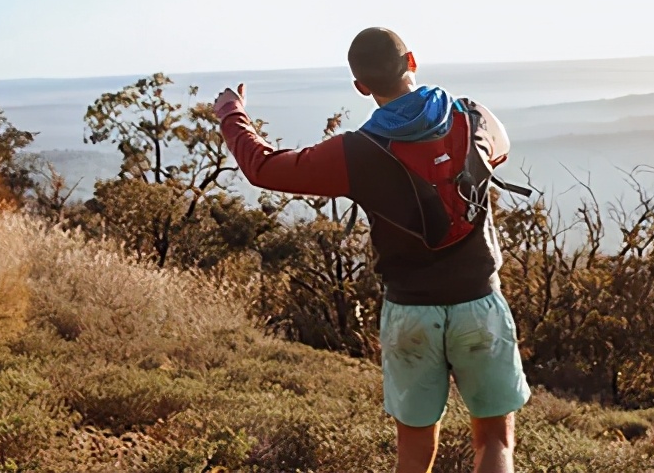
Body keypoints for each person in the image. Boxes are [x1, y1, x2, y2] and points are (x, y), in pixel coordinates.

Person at [214, 27, 532, 473]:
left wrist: (231, 111)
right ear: (413, 62)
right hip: (478, 303)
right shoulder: (472, 116)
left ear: (361, 87)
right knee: (495, 440)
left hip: (410, 314)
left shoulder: (357, 153)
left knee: (415, 449)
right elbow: (499, 148)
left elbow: (263, 168)